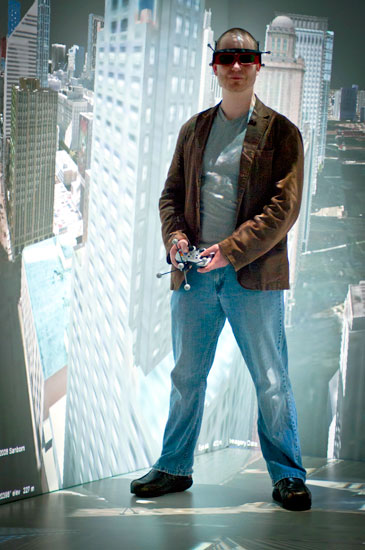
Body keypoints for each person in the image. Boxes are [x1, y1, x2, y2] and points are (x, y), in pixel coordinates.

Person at [131, 27, 312, 511]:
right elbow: (170, 196)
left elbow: (283, 209)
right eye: (227, 58)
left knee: (271, 379)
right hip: (193, 277)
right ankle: (173, 466)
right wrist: (176, 238)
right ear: (215, 66)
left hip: (251, 276)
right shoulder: (194, 130)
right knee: (187, 376)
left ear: (258, 65)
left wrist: (229, 251)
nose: (236, 66)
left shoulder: (281, 133)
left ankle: (289, 475)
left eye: (245, 58)